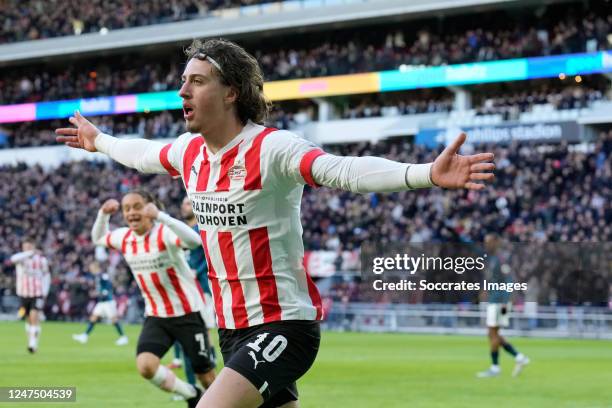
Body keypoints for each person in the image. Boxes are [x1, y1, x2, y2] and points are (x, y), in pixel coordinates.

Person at [56, 38, 495, 408]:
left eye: (197, 81)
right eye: (182, 82)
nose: (182, 92)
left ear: (231, 92)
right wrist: (99, 141)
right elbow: (142, 154)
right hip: (231, 329)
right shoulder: (189, 152)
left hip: (283, 325)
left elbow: (344, 170)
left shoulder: (273, 148)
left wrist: (423, 174)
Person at [90, 190, 216, 407]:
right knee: (146, 366)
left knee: (206, 376)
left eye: (137, 206)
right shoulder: (124, 237)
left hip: (188, 314)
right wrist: (103, 214)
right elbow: (99, 238)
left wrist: (161, 216)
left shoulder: (164, 233)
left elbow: (195, 241)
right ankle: (191, 393)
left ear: (149, 208)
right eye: (126, 209)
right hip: (157, 315)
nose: (131, 213)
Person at [168, 196, 218, 393]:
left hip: (201, 291)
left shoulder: (204, 230)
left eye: (188, 203)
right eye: (183, 204)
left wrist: (196, 270)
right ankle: (195, 387)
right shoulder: (181, 232)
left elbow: (211, 256)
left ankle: (209, 385)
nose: (184, 207)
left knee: (202, 337)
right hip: (183, 291)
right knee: (187, 338)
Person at [477, 234, 530, 378]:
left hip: (500, 302)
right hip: (495, 300)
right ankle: (519, 358)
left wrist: (507, 300)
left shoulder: (500, 260)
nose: (486, 245)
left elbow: (509, 280)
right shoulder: (493, 259)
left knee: (493, 333)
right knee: (492, 334)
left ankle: (495, 368)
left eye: (488, 242)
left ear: (495, 242)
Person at [72, 261, 129, 346]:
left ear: (95, 267)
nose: (90, 269)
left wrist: (103, 292)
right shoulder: (97, 276)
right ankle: (85, 336)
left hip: (108, 301)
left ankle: (123, 337)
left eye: (91, 267)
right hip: (102, 302)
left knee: (114, 320)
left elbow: (109, 285)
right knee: (93, 317)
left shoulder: (103, 275)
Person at [10, 238, 51, 353]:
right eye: (25, 247)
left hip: (37, 293)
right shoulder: (21, 259)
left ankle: (32, 344)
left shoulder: (41, 260)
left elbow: (46, 276)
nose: (26, 248)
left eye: (29, 246)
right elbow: (12, 259)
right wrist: (29, 252)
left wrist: (45, 292)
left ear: (33, 246)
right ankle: (32, 342)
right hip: (24, 293)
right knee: (28, 318)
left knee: (34, 316)